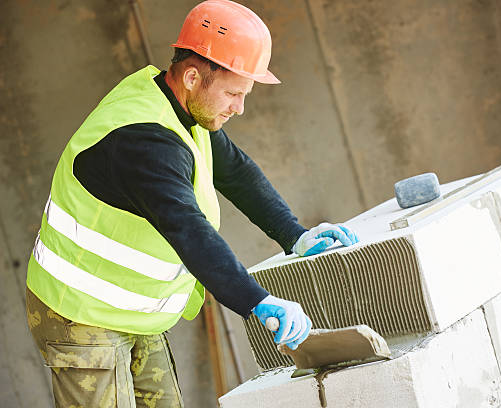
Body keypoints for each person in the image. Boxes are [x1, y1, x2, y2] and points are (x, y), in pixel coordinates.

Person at [24, 0, 359, 407]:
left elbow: (236, 172)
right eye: (234, 93)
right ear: (193, 75)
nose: (240, 107)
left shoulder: (182, 109)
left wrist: (296, 236)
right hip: (80, 314)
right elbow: (188, 229)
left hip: (132, 313)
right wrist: (257, 301)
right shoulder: (144, 141)